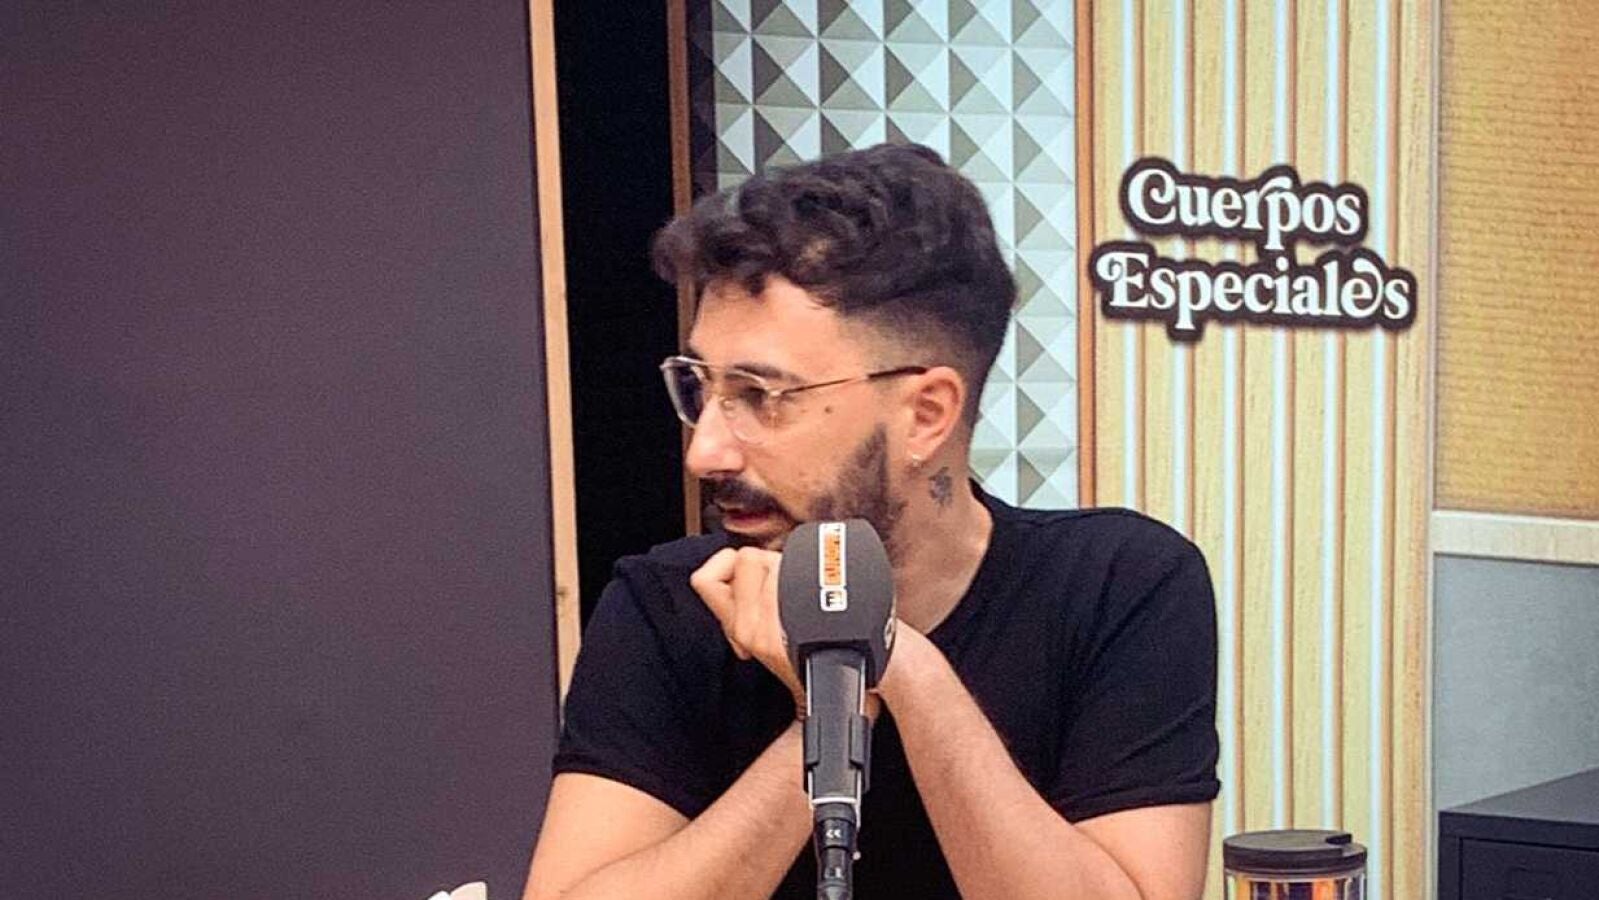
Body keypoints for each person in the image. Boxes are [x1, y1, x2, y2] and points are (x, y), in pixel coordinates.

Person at [522, 143, 1219, 900]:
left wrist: (902, 668)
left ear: (926, 414)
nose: (705, 451)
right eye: (701, 388)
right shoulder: (671, 602)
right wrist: (825, 716)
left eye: (759, 395)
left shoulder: (1117, 585)